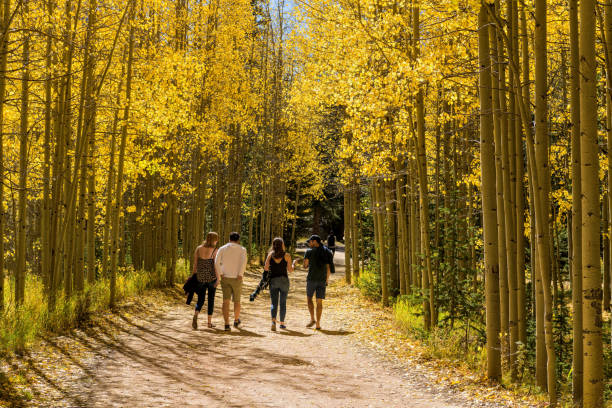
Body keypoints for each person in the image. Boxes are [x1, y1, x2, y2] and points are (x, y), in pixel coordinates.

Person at [215, 232, 248, 331]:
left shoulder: (222, 248)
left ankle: (226, 324)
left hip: (225, 277)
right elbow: (244, 262)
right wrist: (240, 274)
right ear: (238, 240)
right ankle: (236, 320)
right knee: (237, 301)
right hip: (237, 278)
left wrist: (220, 273)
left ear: (229, 239)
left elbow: (216, 262)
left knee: (226, 301)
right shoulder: (242, 249)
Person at [299, 234, 331, 330]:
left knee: (309, 299)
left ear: (314, 241)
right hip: (322, 280)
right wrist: (327, 280)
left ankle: (312, 319)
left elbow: (305, 266)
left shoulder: (309, 251)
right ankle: (318, 324)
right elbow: (328, 268)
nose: (309, 243)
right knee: (319, 302)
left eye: (310, 241)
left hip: (311, 279)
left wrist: (303, 262)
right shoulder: (327, 252)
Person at [192, 232, 221, 330]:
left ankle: (196, 313)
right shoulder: (215, 251)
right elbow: (216, 266)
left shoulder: (198, 249)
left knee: (201, 299)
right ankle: (209, 323)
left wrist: (193, 276)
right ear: (214, 240)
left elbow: (195, 264)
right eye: (216, 239)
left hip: (200, 277)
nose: (217, 241)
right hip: (211, 278)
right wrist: (218, 278)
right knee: (211, 300)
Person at [264, 237, 293, 331]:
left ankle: (273, 322)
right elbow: (290, 270)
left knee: (274, 303)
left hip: (273, 280)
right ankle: (282, 323)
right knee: (283, 303)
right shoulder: (287, 256)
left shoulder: (270, 255)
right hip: (284, 280)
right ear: (282, 245)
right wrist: (293, 264)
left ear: (273, 245)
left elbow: (265, 268)